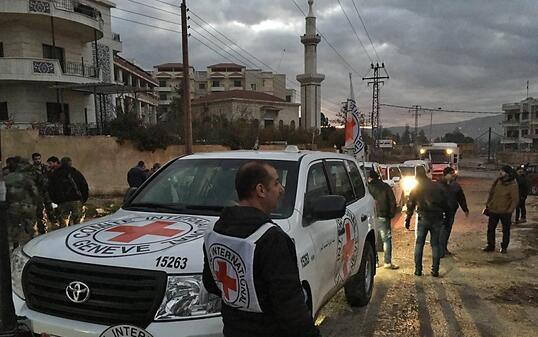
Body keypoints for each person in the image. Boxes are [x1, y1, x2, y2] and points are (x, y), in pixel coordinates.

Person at [202, 161, 320, 337]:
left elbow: (211, 284)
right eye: (276, 183)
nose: (281, 190)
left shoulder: (216, 231)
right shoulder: (272, 239)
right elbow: (290, 306)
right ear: (260, 190)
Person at [405, 169, 449, 277]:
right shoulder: (436, 186)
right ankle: (435, 271)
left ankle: (418, 270)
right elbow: (445, 203)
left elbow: (410, 204)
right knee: (435, 244)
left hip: (423, 217)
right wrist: (446, 217)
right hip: (436, 218)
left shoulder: (416, 188)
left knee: (419, 244)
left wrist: (408, 219)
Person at [5, 157, 40, 251]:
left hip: (13, 206)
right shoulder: (27, 177)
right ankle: (32, 246)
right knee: (30, 226)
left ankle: (15, 246)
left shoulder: (8, 177)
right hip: (27, 205)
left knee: (14, 227)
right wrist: (35, 203)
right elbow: (34, 192)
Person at [483, 166, 519, 254]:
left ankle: (504, 247)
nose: (500, 173)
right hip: (494, 210)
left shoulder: (513, 184)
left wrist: (510, 210)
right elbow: (492, 192)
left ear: (507, 173)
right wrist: (488, 203)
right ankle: (490, 245)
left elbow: (515, 199)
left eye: (502, 171)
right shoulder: (498, 181)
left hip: (505, 212)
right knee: (491, 228)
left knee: (505, 230)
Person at [367, 170, 399, 270]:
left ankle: (375, 262)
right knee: (386, 239)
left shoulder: (367, 188)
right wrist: (391, 214)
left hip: (371, 217)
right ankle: (387, 262)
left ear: (370, 178)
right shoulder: (385, 186)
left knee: (374, 240)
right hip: (383, 216)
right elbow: (392, 201)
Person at [48, 157, 89, 227]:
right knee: (78, 223)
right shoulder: (75, 172)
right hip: (76, 200)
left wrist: (56, 201)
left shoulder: (55, 174)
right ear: (70, 163)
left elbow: (51, 189)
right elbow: (84, 186)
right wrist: (83, 199)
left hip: (62, 202)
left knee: (63, 224)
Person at [439, 167, 469, 257]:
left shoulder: (456, 186)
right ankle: (440, 250)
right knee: (442, 231)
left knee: (447, 230)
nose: (453, 175)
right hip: (441, 212)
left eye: (453, 173)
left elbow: (461, 198)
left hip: (451, 211)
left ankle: (444, 248)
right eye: (451, 173)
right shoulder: (438, 184)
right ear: (446, 174)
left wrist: (465, 209)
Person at [31, 152, 52, 235]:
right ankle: (43, 230)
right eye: (36, 159)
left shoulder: (45, 167)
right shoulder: (31, 169)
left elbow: (50, 176)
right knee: (40, 212)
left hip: (47, 192)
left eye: (39, 159)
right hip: (38, 193)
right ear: (33, 160)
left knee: (50, 210)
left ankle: (54, 225)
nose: (38, 160)